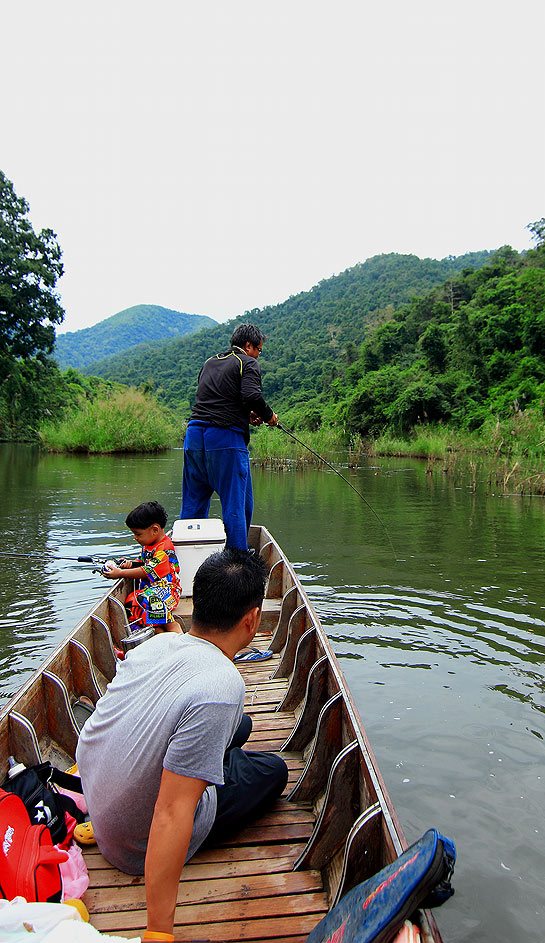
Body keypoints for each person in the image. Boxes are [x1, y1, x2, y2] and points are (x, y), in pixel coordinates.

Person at [76, 548, 288, 941]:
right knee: (273, 771)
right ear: (252, 619)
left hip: (100, 799)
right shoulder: (222, 685)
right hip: (132, 842)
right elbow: (172, 813)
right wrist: (159, 931)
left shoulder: (157, 645)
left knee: (239, 726)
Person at [179, 323, 278, 549]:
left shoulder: (210, 362)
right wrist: (268, 415)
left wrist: (246, 415)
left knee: (192, 505)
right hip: (225, 440)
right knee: (237, 507)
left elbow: (220, 398)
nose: (258, 355)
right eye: (259, 350)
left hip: (194, 436)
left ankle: (184, 563)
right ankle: (237, 566)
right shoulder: (247, 362)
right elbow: (252, 395)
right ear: (248, 345)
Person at [102, 501, 182, 633]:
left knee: (146, 601)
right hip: (151, 590)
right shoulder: (149, 545)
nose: (135, 538)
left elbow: (147, 571)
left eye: (138, 534)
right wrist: (130, 564)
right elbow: (142, 562)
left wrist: (120, 573)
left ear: (155, 530)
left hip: (168, 592)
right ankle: (154, 635)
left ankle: (177, 635)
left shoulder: (164, 550)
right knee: (132, 602)